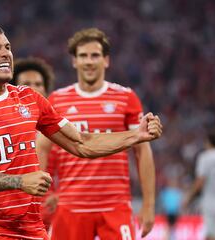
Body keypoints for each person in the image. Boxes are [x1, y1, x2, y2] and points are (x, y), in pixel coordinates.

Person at [0, 24, 163, 240]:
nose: (5, 54)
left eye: (7, 47)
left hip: (30, 226)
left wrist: (136, 135)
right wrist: (20, 182)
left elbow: (81, 143)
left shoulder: (29, 98)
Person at [36, 28, 157, 240]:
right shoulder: (57, 100)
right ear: (74, 61)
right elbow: (42, 149)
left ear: (106, 60)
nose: (89, 61)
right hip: (69, 208)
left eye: (95, 55)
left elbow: (142, 151)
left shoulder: (126, 98)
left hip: (115, 207)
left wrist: (148, 205)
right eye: (83, 56)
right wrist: (42, 196)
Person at [10, 56, 56, 230]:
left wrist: (62, 195)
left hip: (50, 214)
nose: (34, 89)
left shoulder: (59, 129)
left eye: (38, 84)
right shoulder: (2, 127)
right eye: (27, 83)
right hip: (13, 213)